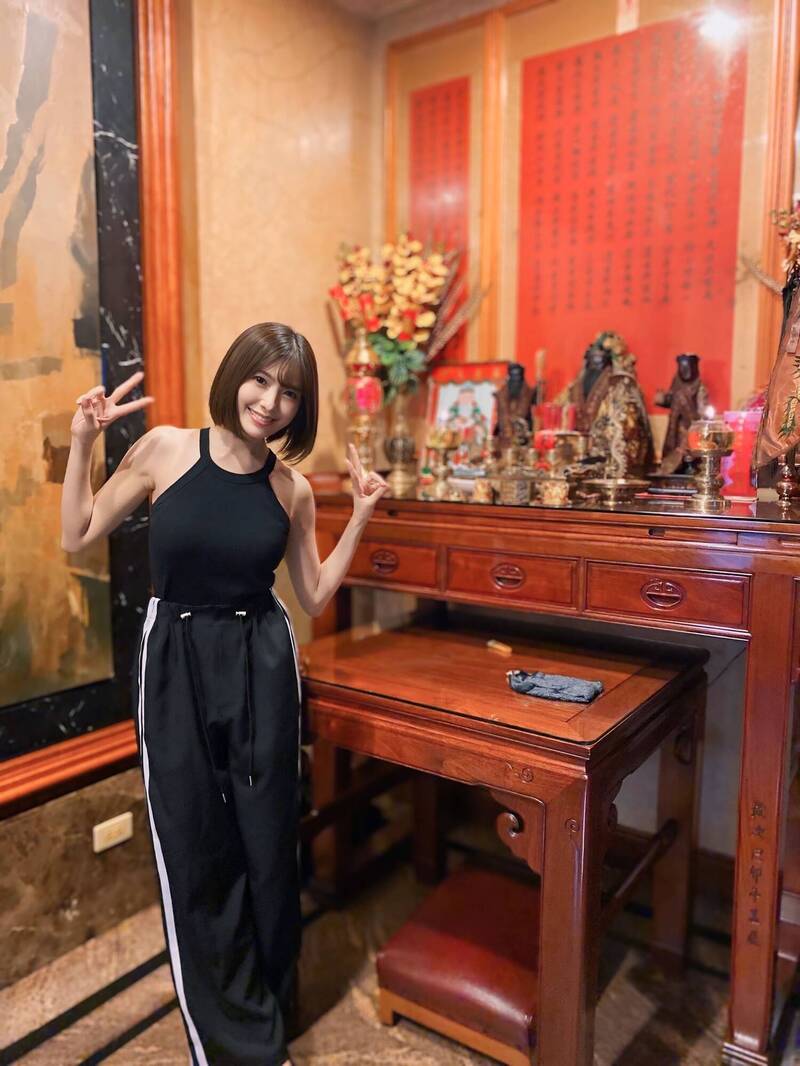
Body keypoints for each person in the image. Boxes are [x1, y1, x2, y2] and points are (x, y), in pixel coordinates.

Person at [60, 322, 389, 1066]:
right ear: (235, 374)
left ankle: (272, 1003)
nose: (270, 402)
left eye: (289, 393)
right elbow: (78, 532)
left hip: (261, 662)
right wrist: (83, 442)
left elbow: (312, 593)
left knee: (269, 844)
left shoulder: (290, 488)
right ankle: (235, 1046)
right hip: (175, 659)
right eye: (260, 380)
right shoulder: (166, 450)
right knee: (194, 846)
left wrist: (361, 516)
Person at [568, 331, 653, 478]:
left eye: (599, 359)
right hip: (579, 457)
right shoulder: (576, 387)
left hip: (611, 458)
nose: (595, 364)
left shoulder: (620, 384)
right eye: (592, 359)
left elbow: (628, 426)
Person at [655, 353, 709, 474]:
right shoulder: (676, 383)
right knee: (674, 449)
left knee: (689, 450)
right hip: (675, 426)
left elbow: (702, 409)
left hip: (690, 425)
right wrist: (662, 399)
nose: (685, 371)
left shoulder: (699, 387)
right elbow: (670, 400)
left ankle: (690, 466)